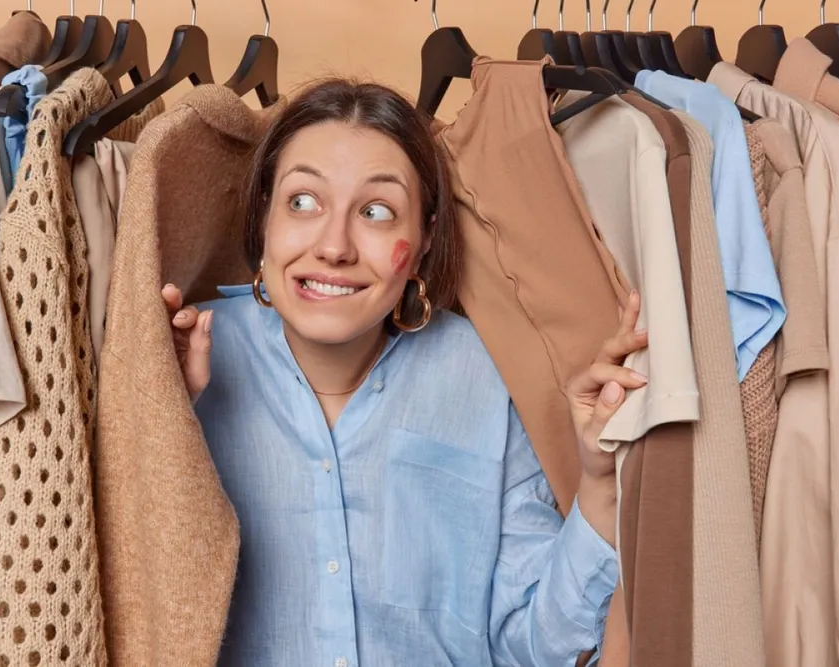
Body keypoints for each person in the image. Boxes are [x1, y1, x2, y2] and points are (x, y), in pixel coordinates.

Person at [161, 79, 648, 666]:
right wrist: (166, 417)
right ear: (264, 218)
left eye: (375, 212)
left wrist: (597, 481)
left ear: (422, 242)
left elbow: (536, 646)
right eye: (303, 202)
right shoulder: (182, 354)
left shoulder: (486, 370)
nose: (334, 246)